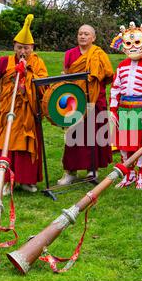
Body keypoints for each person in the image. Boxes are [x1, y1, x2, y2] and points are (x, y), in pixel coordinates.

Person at [0, 14, 48, 194]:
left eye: (26, 48)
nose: (22, 51)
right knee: (7, 144)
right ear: (14, 47)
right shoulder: (5, 62)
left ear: (32, 48)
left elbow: (43, 84)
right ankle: (8, 181)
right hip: (9, 110)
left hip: (29, 111)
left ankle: (27, 181)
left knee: (26, 144)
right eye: (19, 47)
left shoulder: (37, 63)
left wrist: (28, 76)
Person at [57, 24, 114, 185]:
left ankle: (92, 169)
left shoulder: (99, 54)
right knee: (73, 135)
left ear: (93, 38)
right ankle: (70, 172)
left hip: (95, 99)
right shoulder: (70, 54)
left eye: (86, 34)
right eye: (80, 33)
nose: (82, 36)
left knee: (93, 134)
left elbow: (108, 75)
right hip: (75, 100)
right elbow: (66, 75)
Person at [109, 22, 142, 189]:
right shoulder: (122, 66)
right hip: (124, 110)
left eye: (137, 43)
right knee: (123, 143)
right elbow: (115, 89)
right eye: (129, 43)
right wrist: (113, 110)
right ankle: (129, 174)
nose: (133, 47)